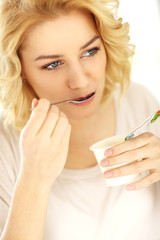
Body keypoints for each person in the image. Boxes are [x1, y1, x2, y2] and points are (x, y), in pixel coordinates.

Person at [0, 0, 160, 239]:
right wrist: (34, 179)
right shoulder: (6, 147)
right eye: (53, 64)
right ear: (19, 70)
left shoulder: (139, 102)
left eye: (90, 51)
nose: (80, 82)